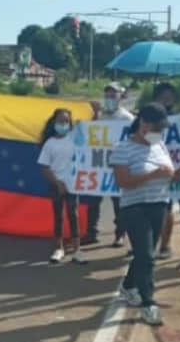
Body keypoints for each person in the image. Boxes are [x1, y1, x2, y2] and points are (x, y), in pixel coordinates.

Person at [111, 103, 176, 326]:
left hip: (159, 204)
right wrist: (153, 174)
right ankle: (148, 304)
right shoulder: (123, 148)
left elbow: (169, 175)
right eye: (157, 127)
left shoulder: (160, 145)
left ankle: (129, 286)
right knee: (147, 256)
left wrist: (176, 173)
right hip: (134, 207)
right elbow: (123, 182)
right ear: (143, 124)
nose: (160, 132)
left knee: (143, 254)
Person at [83, 82, 136, 247]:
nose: (109, 99)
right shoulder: (101, 116)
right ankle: (92, 232)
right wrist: (94, 114)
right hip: (99, 166)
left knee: (118, 203)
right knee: (93, 201)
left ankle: (120, 234)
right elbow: (89, 132)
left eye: (113, 95)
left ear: (121, 97)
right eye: (107, 95)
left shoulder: (128, 118)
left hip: (119, 166)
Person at [37, 108, 87, 265]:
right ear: (54, 122)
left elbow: (95, 136)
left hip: (73, 185)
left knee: (74, 215)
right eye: (60, 121)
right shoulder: (50, 143)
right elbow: (44, 167)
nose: (63, 124)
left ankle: (77, 250)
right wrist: (57, 183)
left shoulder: (75, 138)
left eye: (66, 121)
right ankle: (59, 249)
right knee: (58, 216)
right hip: (57, 185)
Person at [152, 82, 179, 259]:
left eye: (169, 96)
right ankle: (144, 245)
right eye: (163, 96)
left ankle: (165, 245)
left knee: (167, 209)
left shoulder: (179, 118)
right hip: (148, 169)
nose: (166, 100)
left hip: (170, 169)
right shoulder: (145, 116)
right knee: (145, 210)